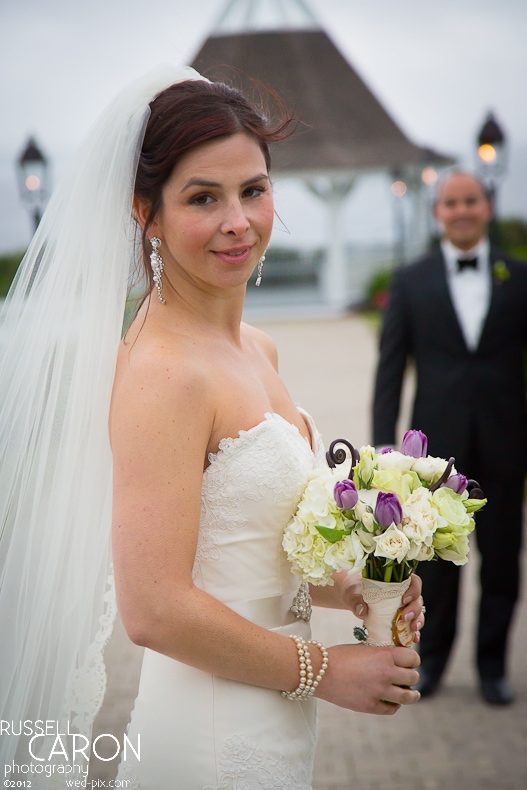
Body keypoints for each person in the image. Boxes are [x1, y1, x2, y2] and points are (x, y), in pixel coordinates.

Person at [0, 67, 424, 789]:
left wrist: (350, 586)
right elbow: (155, 608)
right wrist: (323, 670)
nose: (239, 221)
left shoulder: (258, 348)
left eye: (253, 190)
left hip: (274, 721)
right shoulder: (164, 375)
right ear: (146, 212)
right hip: (211, 734)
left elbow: (244, 559)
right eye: (204, 197)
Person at [372, 170, 527, 706]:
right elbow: (389, 372)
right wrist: (380, 456)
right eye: (451, 202)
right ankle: (433, 661)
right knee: (436, 566)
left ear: (487, 207)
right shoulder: (410, 281)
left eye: (471, 201)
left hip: (508, 446)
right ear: (438, 212)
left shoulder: (520, 276)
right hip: (435, 458)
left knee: (503, 560)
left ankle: (492, 668)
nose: (461, 210)